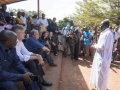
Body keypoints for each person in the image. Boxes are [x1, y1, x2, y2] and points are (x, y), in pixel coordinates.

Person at [11, 25, 52, 90]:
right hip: (14, 63)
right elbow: (20, 57)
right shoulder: (12, 42)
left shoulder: (20, 41)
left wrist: (37, 56)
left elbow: (26, 52)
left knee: (35, 60)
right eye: (23, 32)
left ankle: (41, 80)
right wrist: (37, 57)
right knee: (31, 63)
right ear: (16, 34)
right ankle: (39, 84)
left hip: (19, 60)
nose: (25, 34)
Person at [90, 20, 114, 90]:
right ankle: (100, 87)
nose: (100, 26)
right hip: (101, 57)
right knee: (100, 74)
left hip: (104, 59)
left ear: (106, 25)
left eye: (102, 25)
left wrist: (95, 45)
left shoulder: (108, 34)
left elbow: (103, 46)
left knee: (102, 76)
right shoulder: (104, 33)